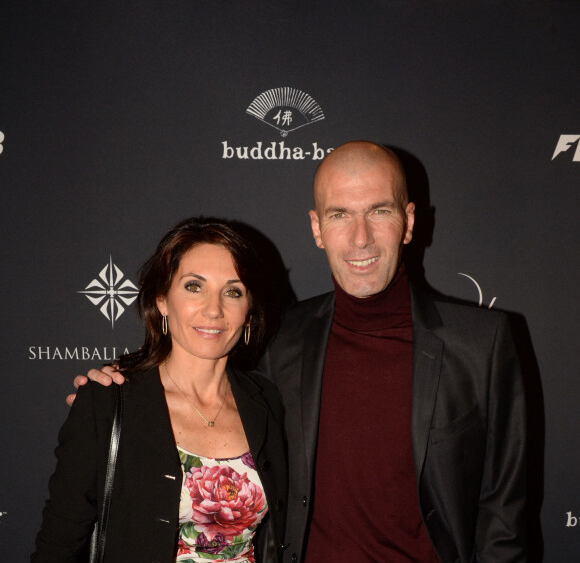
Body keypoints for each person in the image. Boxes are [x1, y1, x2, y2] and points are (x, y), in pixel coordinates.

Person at [71, 142, 527, 562]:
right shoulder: (280, 339)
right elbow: (198, 368)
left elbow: (503, 519)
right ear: (316, 228)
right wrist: (119, 388)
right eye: (340, 215)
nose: (361, 237)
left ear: (408, 222)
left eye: (379, 211)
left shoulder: (481, 344)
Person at [34, 217, 288, 563]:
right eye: (194, 287)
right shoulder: (109, 400)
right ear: (163, 301)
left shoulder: (266, 401)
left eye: (233, 291)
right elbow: (58, 545)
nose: (214, 310)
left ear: (248, 313)